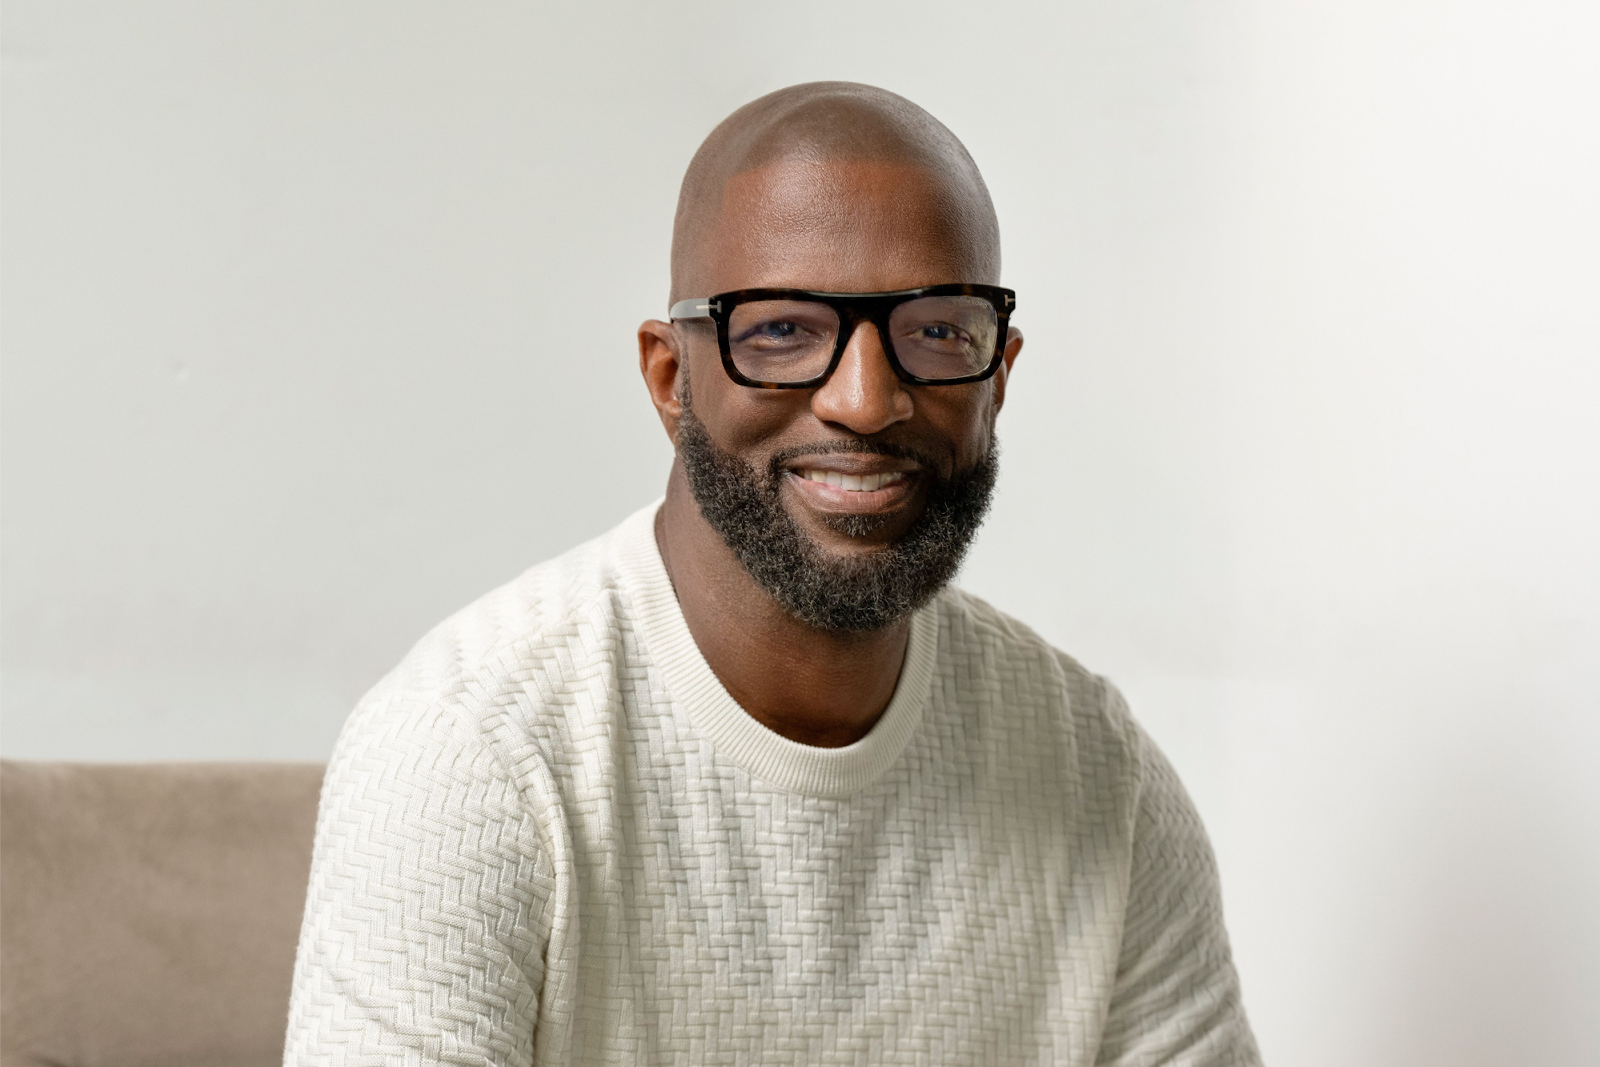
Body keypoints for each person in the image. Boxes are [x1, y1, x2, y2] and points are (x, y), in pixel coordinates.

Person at [284, 82, 1261, 1066]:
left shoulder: (1099, 777)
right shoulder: (472, 755)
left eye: (933, 330)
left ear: (997, 377)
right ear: (672, 380)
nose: (866, 399)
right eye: (782, 330)